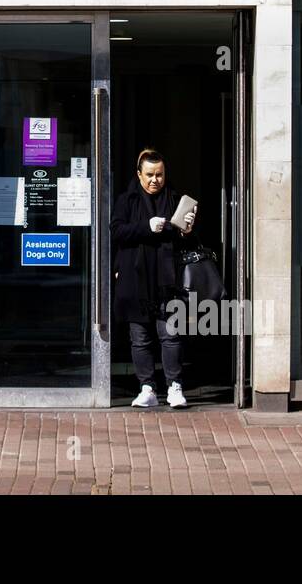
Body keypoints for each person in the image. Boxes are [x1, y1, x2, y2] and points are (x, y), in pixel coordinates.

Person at [111, 148, 197, 409]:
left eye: (159, 174)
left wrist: (187, 230)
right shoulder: (127, 201)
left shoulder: (174, 199)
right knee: (140, 337)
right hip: (136, 279)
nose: (154, 180)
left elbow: (189, 242)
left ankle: (174, 387)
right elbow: (116, 232)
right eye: (149, 175)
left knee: (170, 335)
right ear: (139, 175)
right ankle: (147, 387)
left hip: (167, 278)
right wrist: (146, 227)